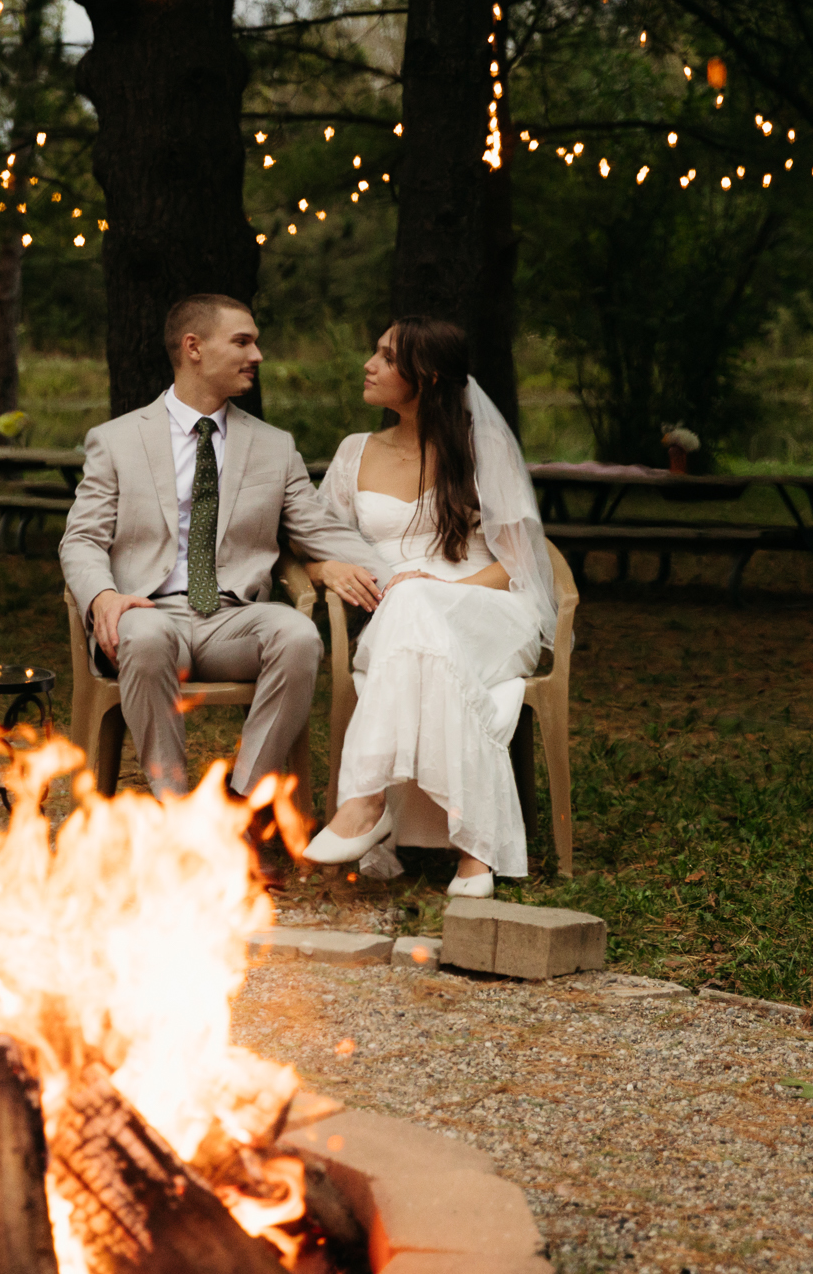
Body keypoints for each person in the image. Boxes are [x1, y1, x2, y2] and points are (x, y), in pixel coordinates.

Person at [59, 294, 392, 812]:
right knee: (143, 634)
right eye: (242, 341)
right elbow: (81, 538)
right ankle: (174, 806)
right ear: (193, 348)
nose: (257, 354)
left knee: (298, 634)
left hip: (232, 620)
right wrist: (102, 595)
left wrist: (400, 579)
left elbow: (320, 530)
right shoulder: (116, 440)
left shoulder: (274, 446)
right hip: (146, 613)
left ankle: (238, 806)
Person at [299, 318, 558, 896]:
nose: (368, 363)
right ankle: (474, 853)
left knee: (413, 596)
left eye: (386, 357)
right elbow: (312, 543)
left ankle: (364, 802)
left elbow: (516, 564)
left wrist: (439, 589)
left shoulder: (477, 446)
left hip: (489, 610)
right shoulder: (354, 452)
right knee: (413, 615)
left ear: (428, 376)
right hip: (399, 622)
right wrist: (328, 568)